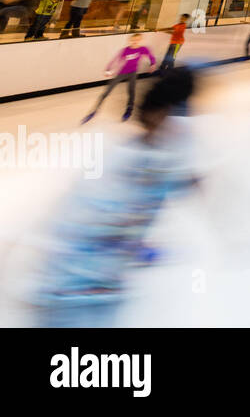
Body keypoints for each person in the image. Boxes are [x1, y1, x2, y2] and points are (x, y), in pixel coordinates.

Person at [31, 68, 199, 327]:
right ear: (158, 116)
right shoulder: (125, 165)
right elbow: (84, 222)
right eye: (177, 118)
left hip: (96, 289)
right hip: (73, 294)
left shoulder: (158, 160)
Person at [82, 33, 156, 124]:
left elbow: (151, 56)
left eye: (137, 40)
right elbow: (116, 60)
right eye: (133, 40)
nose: (135, 42)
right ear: (130, 41)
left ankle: (129, 109)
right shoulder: (125, 50)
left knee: (131, 91)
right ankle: (94, 111)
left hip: (132, 73)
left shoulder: (142, 49)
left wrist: (153, 64)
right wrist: (108, 69)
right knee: (107, 91)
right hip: (122, 73)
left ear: (140, 40)